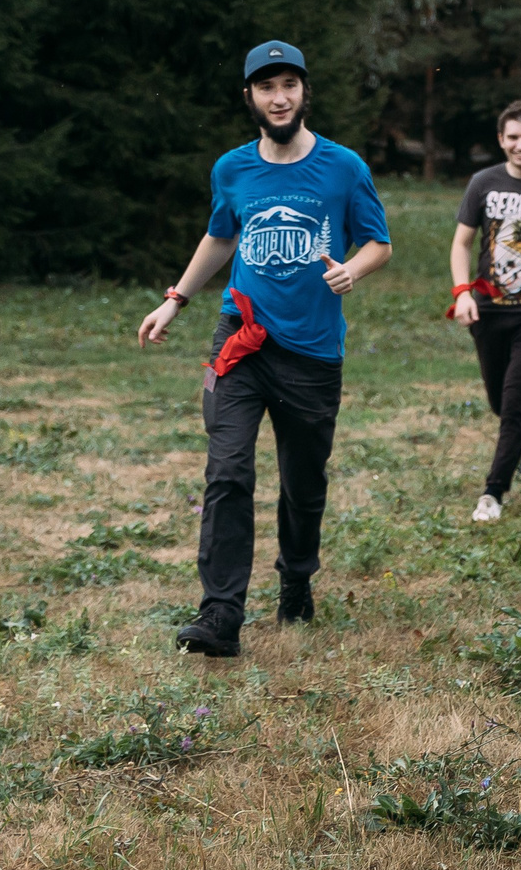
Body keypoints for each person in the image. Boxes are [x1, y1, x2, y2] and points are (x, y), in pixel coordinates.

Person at [137, 42, 392, 656]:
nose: (278, 97)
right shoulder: (232, 169)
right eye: (265, 87)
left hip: (312, 353)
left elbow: (378, 243)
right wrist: (176, 298)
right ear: (248, 97)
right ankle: (221, 616)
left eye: (289, 85)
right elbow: (220, 236)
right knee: (227, 470)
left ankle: (297, 577)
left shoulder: (343, 167)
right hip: (243, 338)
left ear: (305, 93)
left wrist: (353, 271)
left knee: (303, 484)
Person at [451, 101, 521, 524]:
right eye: (512, 138)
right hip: (489, 312)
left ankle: (493, 492)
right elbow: (462, 242)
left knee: (515, 404)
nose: (520, 145)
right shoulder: (484, 183)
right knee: (502, 401)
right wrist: (462, 293)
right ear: (501, 140)